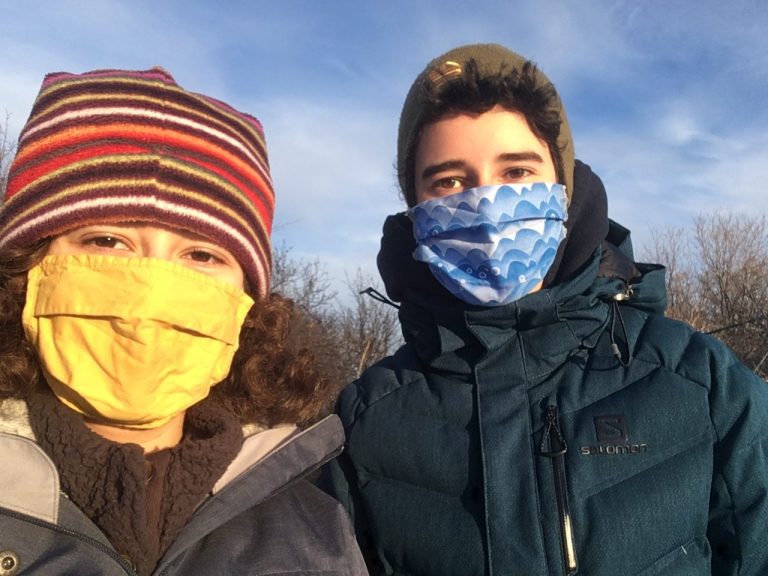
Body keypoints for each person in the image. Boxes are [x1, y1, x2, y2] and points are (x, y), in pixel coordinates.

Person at [322, 44, 768, 575]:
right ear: (415, 210)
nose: (486, 205)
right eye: (448, 182)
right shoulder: (368, 419)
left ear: (562, 186)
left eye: (515, 172)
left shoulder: (698, 381)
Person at [0, 67, 367, 575]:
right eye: (107, 241)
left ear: (247, 306)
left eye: (201, 254)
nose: (151, 287)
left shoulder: (315, 529)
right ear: (27, 271)